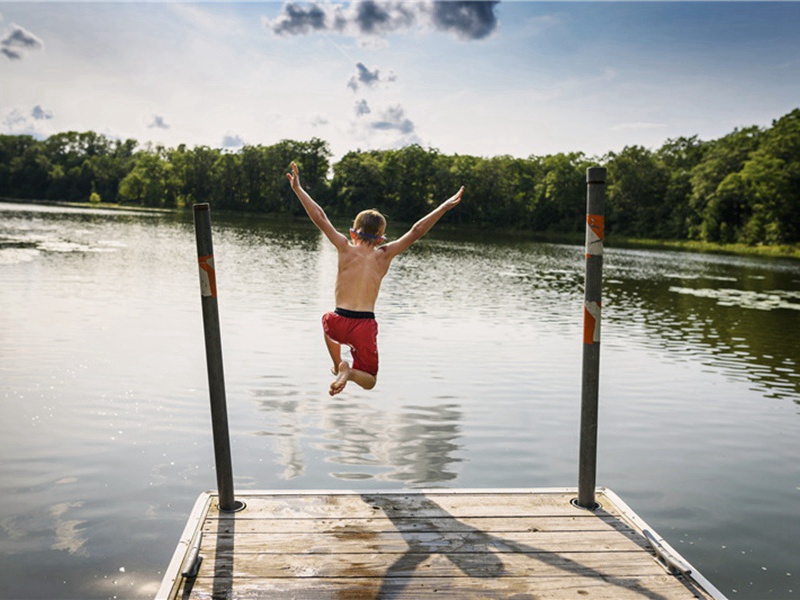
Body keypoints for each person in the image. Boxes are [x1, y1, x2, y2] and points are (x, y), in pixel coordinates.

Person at [286, 161, 464, 396]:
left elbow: (319, 216)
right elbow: (416, 230)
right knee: (370, 381)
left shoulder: (344, 247)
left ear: (352, 232)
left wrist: (298, 189)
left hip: (338, 320)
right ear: (381, 238)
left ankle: (338, 363)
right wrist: (442, 207)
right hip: (364, 325)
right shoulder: (385, 254)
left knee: (327, 324)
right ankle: (347, 372)